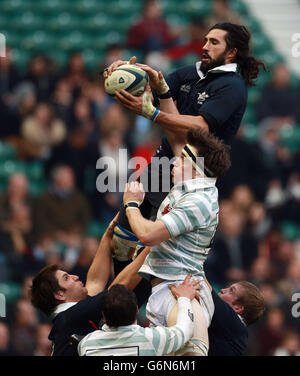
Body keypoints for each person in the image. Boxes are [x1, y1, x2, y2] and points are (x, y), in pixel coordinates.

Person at [105, 22, 266, 262]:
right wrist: (124, 72)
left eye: (214, 42)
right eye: (205, 40)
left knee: (154, 254)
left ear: (231, 52)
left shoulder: (231, 86)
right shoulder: (190, 73)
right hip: (161, 165)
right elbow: (154, 87)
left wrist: (153, 114)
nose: (205, 46)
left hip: (190, 177)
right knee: (120, 241)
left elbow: (200, 126)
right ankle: (116, 294)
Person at [122, 128, 231, 356]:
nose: (175, 162)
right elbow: (175, 137)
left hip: (183, 293)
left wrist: (131, 205)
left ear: (197, 169)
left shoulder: (199, 201)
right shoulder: (189, 190)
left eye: (182, 158)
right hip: (168, 288)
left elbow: (148, 235)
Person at [30, 215, 151, 356]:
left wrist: (107, 237)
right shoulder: (69, 318)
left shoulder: (71, 317)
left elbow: (95, 281)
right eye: (66, 278)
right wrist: (151, 245)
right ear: (60, 294)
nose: (75, 277)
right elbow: (118, 289)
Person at [78, 274, 198, 356]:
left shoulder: (86, 344)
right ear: (136, 310)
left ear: (103, 316)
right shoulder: (152, 339)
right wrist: (184, 298)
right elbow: (185, 330)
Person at [204, 278, 266, 356]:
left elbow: (204, 286)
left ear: (238, 308)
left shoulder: (234, 324)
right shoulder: (234, 329)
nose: (223, 290)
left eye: (231, 291)